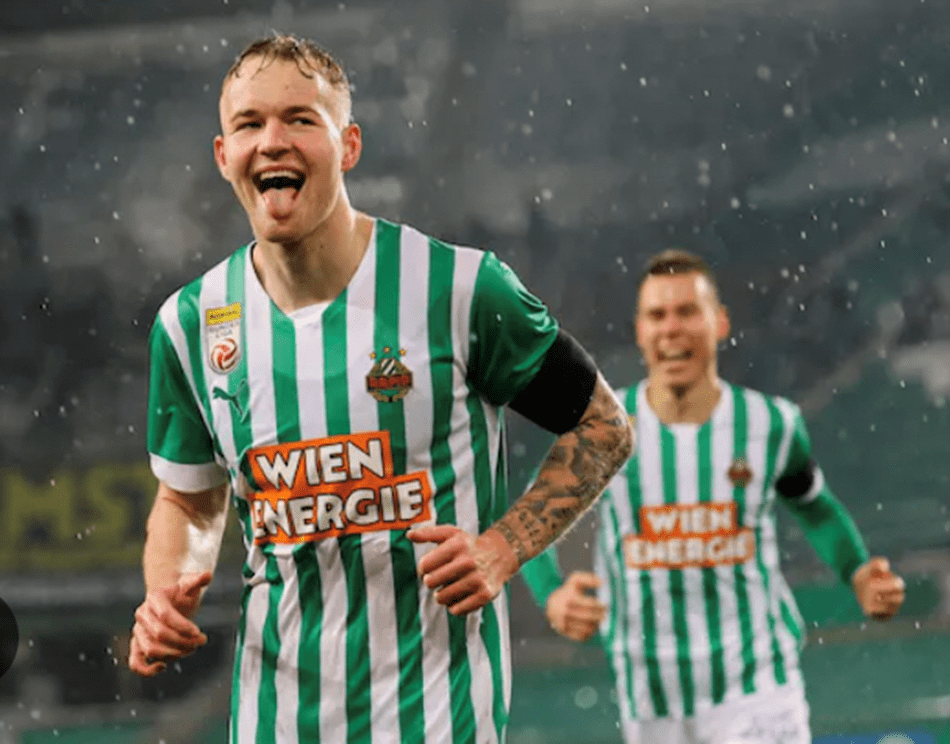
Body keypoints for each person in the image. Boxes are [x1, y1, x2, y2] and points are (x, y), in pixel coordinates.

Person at [127, 33, 634, 744]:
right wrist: (166, 592)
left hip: (438, 718)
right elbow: (188, 497)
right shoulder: (189, 324)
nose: (272, 141)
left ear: (349, 145)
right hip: (275, 720)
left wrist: (501, 548)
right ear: (223, 155)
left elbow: (603, 427)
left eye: (300, 119)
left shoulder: (459, 288)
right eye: (249, 123)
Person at [520, 249, 906, 744]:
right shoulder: (604, 431)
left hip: (758, 686)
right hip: (651, 698)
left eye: (687, 312)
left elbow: (816, 508)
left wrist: (858, 571)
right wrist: (553, 596)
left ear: (720, 322)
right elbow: (531, 520)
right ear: (639, 330)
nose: (672, 329)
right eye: (657, 315)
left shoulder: (771, 424)